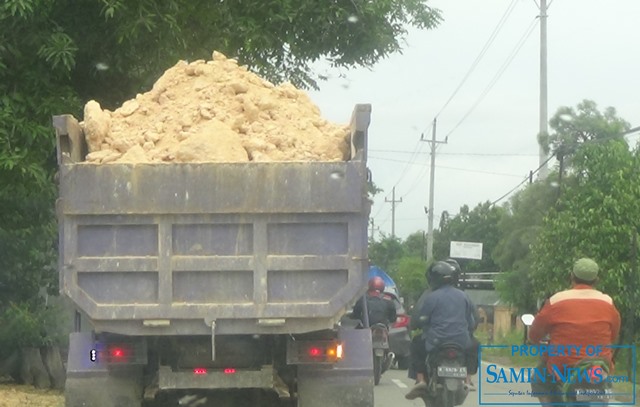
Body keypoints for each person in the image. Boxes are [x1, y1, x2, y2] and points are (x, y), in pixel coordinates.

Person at [528, 258, 621, 407]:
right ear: (596, 280)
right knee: (604, 380)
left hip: (563, 366)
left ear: (572, 276)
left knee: (539, 381)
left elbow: (534, 335)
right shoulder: (608, 302)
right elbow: (614, 335)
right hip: (598, 366)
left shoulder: (556, 300)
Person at [405, 261, 477, 400]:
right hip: (461, 342)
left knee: (416, 343)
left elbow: (422, 319)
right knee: (475, 345)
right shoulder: (464, 296)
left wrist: (422, 324)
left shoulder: (431, 297)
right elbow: (471, 322)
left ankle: (421, 380)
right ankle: (468, 380)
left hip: (436, 342)